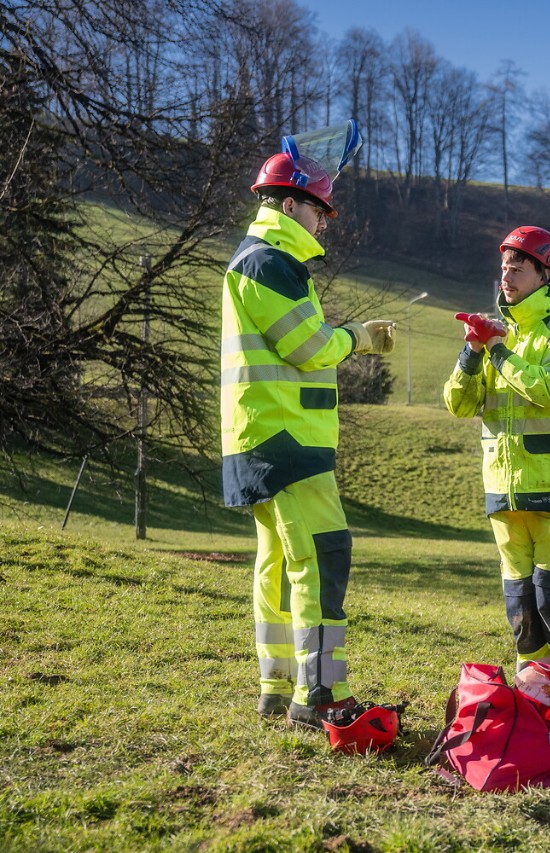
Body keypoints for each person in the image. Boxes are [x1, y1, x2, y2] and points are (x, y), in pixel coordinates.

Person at [221, 146, 396, 728]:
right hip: (288, 439)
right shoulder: (269, 262)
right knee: (322, 557)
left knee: (278, 564)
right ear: (291, 204)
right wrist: (359, 337)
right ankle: (318, 693)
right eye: (320, 210)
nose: (324, 222)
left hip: (264, 436)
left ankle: (277, 686)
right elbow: (310, 346)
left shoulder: (262, 260)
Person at [444, 226, 550, 673]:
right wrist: (472, 353)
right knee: (523, 616)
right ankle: (534, 707)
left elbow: (548, 390)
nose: (506, 274)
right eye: (504, 265)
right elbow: (459, 403)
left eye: (519, 265)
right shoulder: (495, 336)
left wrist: (497, 350)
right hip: (506, 496)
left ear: (545, 274)